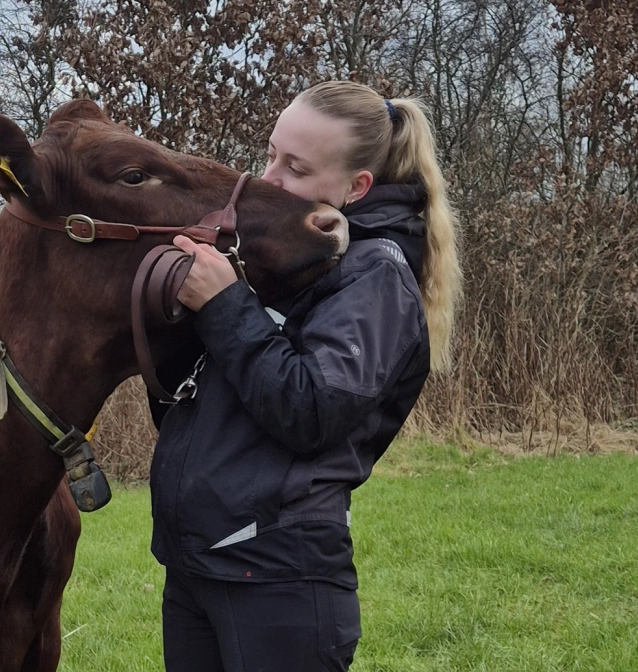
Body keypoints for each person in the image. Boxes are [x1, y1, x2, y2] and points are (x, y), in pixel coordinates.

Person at [148, 80, 462, 671]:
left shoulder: (374, 274)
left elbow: (312, 410)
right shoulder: (288, 260)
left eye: (295, 168)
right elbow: (193, 406)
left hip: (278, 577)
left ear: (356, 187)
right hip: (197, 564)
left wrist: (223, 306)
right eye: (270, 154)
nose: (269, 179)